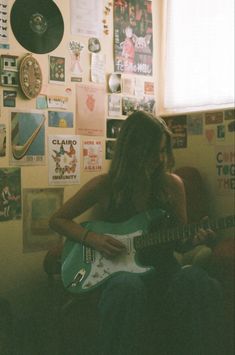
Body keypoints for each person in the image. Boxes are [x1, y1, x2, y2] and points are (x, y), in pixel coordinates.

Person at [49, 111, 223, 355]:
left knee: (197, 279)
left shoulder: (172, 185)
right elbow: (57, 219)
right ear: (132, 149)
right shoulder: (105, 185)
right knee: (127, 287)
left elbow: (181, 242)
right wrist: (93, 238)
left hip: (165, 272)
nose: (159, 158)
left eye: (162, 150)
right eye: (152, 151)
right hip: (121, 275)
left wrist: (195, 238)